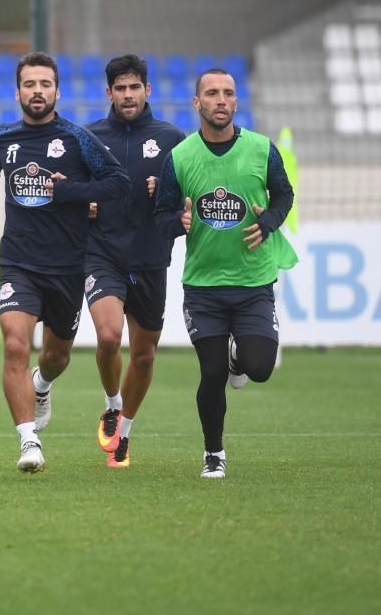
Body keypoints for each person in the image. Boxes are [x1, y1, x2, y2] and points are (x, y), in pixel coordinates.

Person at [0, 51, 129, 474]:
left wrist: (70, 192)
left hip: (68, 266)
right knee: (15, 344)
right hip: (18, 262)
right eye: (29, 84)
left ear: (57, 90)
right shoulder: (3, 137)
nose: (36, 92)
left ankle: (41, 384)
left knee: (56, 357)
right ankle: (29, 441)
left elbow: (117, 184)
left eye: (44, 84)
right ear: (17, 90)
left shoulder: (77, 139)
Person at [153, 68, 296, 479]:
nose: (221, 100)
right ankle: (213, 452)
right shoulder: (180, 157)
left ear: (236, 102)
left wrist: (268, 220)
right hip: (203, 287)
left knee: (261, 368)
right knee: (211, 374)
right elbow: (161, 214)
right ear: (197, 103)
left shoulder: (261, 149)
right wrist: (174, 222)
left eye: (228, 93)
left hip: (253, 283)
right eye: (212, 93)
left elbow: (284, 194)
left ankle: (240, 357)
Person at [84, 54, 186, 469]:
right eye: (120, 88)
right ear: (109, 93)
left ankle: (123, 436)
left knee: (143, 356)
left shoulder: (173, 139)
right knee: (108, 337)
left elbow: (185, 203)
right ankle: (112, 404)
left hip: (149, 256)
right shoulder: (88, 138)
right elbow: (72, 192)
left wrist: (164, 192)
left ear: (147, 90)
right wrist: (83, 205)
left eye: (135, 87)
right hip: (101, 253)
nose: (128, 95)